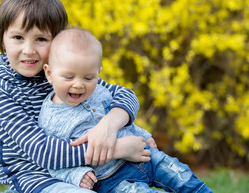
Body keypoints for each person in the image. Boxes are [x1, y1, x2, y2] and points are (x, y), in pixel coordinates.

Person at [0, 0, 153, 193]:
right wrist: (118, 148)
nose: (29, 50)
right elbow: (42, 151)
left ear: (57, 42)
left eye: (41, 39)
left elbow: (125, 95)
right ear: (3, 40)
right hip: (34, 179)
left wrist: (109, 125)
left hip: (82, 170)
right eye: (18, 37)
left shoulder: (58, 73)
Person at [39, 27, 214, 193]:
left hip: (144, 156)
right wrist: (77, 175)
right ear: (49, 74)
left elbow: (122, 121)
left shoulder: (101, 91)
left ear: (98, 73)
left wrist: (143, 135)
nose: (78, 84)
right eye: (69, 77)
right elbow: (55, 162)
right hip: (112, 180)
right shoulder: (50, 119)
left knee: (180, 175)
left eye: (88, 77)